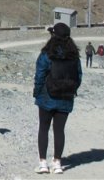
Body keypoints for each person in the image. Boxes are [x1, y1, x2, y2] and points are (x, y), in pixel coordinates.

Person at [33, 22, 83, 174]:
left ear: (53, 36)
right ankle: (57, 163)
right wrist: (70, 89)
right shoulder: (74, 56)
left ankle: (43, 163)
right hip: (66, 97)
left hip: (47, 96)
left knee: (43, 128)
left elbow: (40, 75)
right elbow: (78, 77)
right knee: (59, 130)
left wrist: (37, 92)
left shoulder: (47, 54)